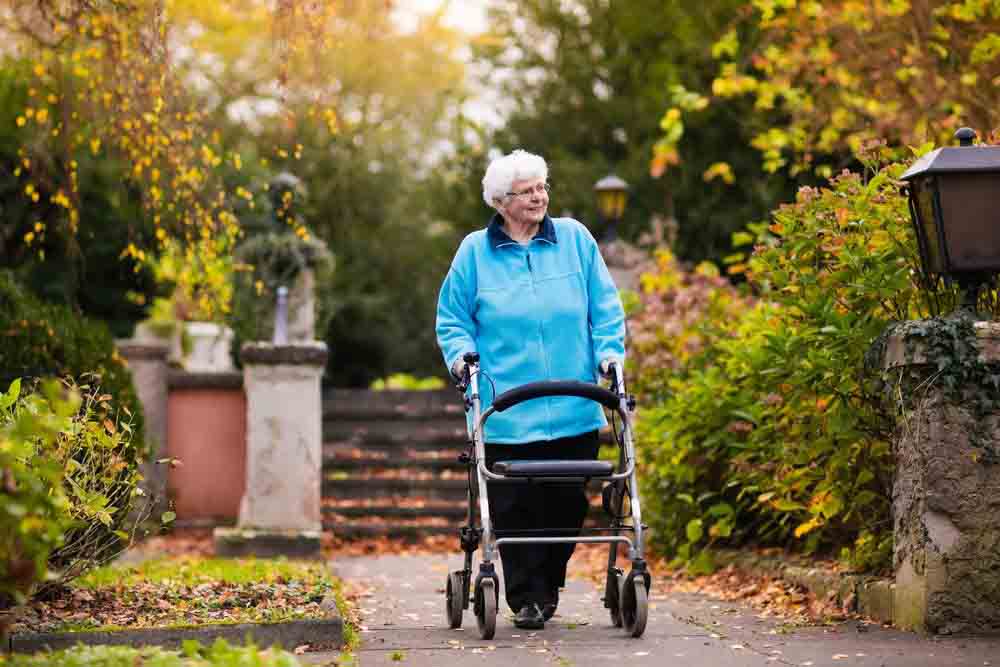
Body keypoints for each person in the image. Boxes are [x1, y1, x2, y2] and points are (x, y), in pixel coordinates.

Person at [435, 149, 626, 630]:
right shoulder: (474, 253)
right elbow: (453, 320)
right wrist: (462, 359)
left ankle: (546, 585)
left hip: (573, 403)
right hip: (505, 409)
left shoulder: (577, 241)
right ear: (501, 201)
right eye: (527, 190)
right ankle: (527, 597)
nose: (539, 196)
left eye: (543, 186)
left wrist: (609, 352)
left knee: (566, 503)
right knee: (514, 507)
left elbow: (605, 306)